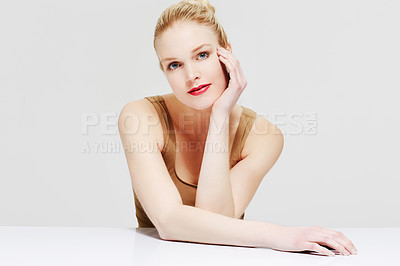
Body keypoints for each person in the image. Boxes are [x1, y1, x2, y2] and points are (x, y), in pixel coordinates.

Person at [118, 0, 357, 257]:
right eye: (174, 65)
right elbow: (168, 222)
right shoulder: (141, 117)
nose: (191, 75)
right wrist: (278, 234)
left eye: (202, 55)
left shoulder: (264, 137)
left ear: (227, 53)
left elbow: (215, 221)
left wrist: (219, 116)